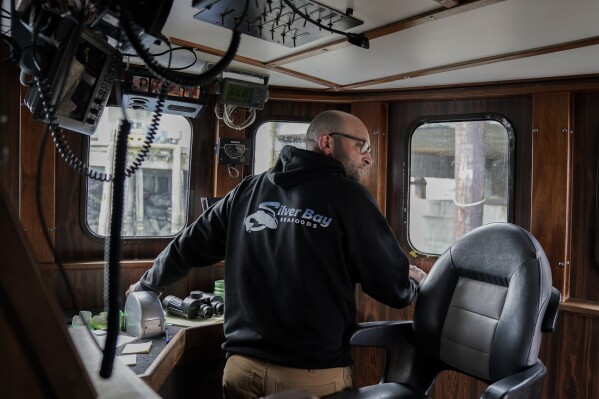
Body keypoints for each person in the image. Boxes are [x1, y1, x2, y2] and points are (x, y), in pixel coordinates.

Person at [126, 110, 427, 398]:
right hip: (310, 378)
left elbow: (188, 245)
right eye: (362, 146)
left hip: (240, 370)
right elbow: (393, 290)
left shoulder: (249, 190)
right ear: (327, 143)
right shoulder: (351, 197)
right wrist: (413, 282)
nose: (369, 157)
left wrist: (145, 286)